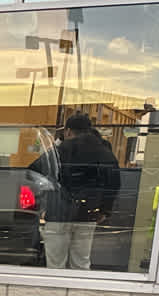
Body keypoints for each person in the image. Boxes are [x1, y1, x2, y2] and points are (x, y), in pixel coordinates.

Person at [30, 112, 120, 270]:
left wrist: (43, 202)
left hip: (59, 213)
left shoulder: (61, 150)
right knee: (81, 262)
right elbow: (114, 182)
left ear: (68, 131)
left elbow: (33, 172)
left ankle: (55, 293)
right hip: (88, 214)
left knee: (55, 264)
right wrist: (105, 210)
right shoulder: (104, 151)